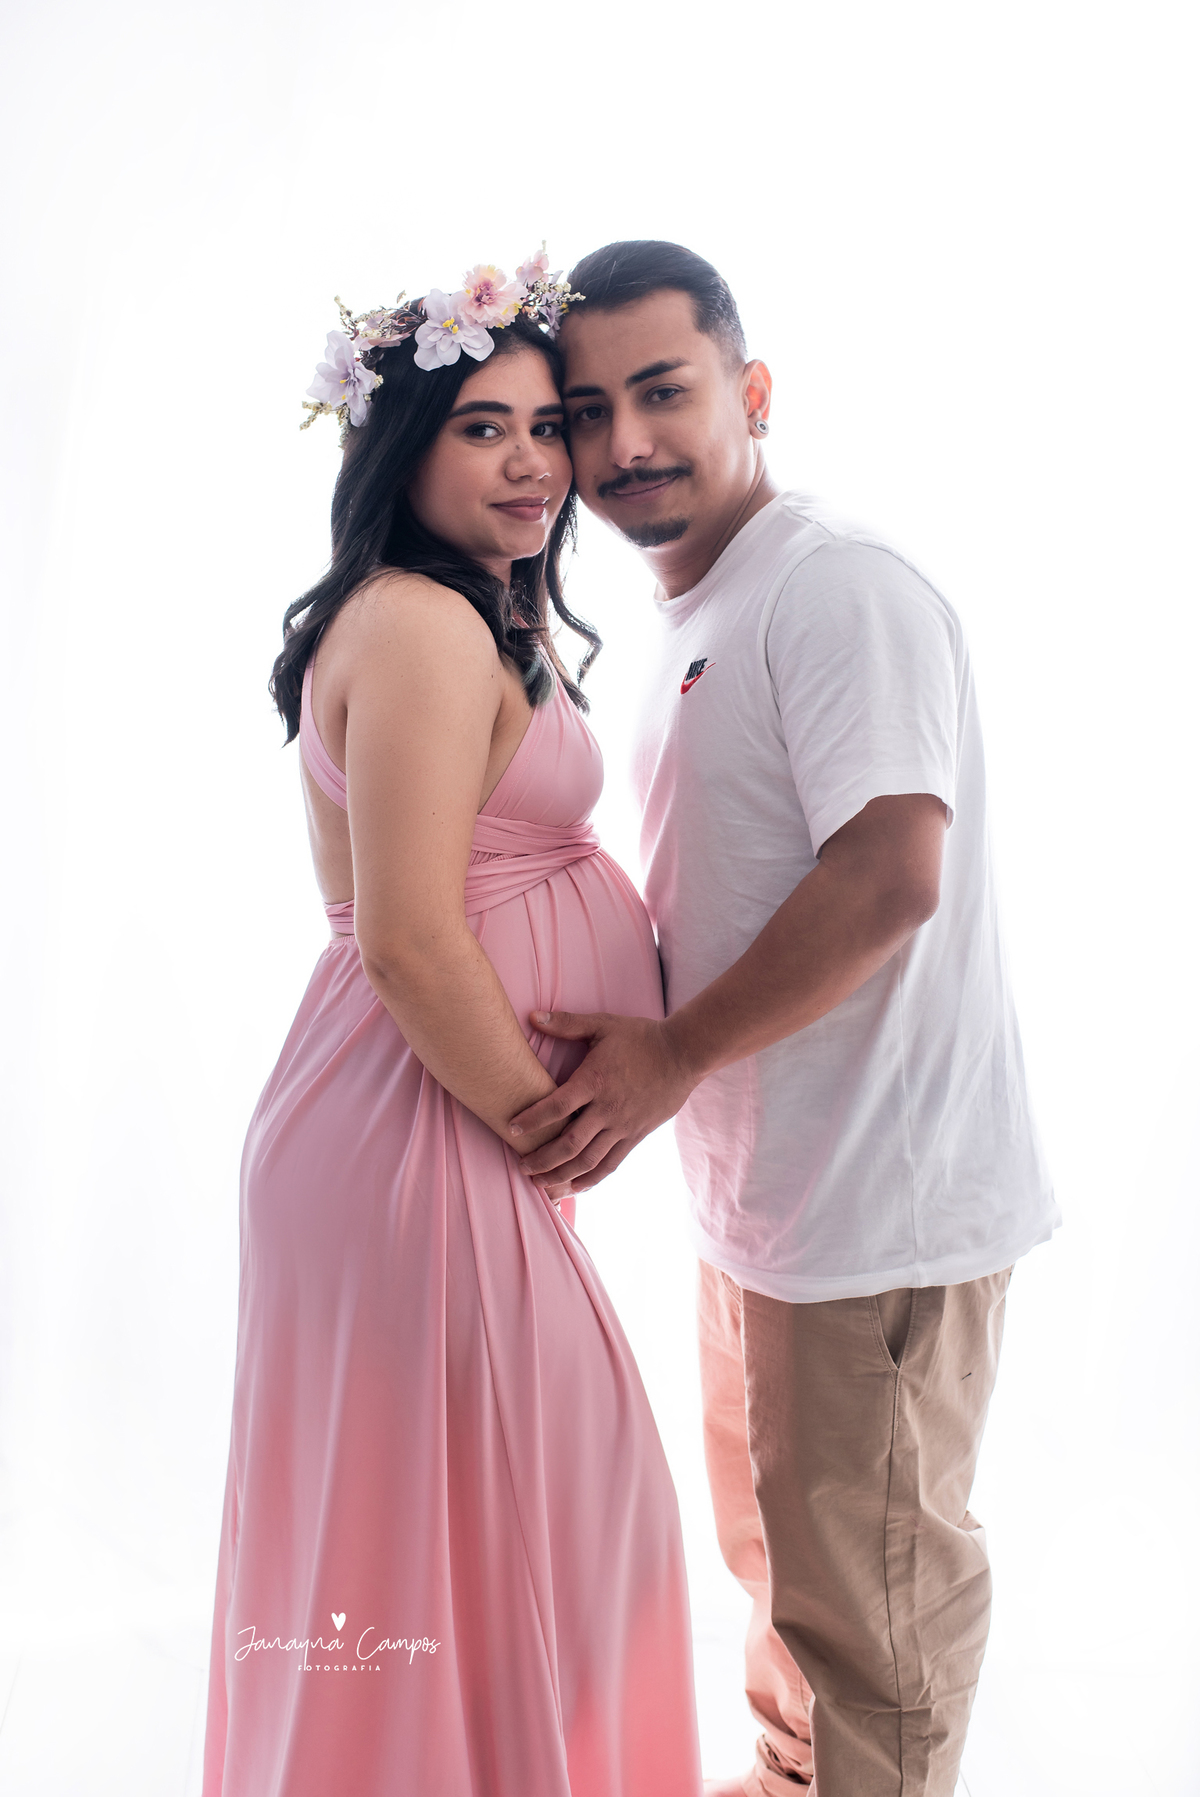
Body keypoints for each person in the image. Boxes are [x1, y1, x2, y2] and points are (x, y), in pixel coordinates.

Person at [512, 241, 1060, 1797]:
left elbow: (890, 872)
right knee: (788, 1571)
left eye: (664, 392)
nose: (626, 442)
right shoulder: (701, 606)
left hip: (877, 1211)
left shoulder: (834, 586)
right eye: (590, 410)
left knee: (873, 1612)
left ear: (751, 391)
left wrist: (672, 1056)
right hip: (767, 1202)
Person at [201, 258, 704, 1797]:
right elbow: (407, 934)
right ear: (400, 446)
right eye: (485, 427)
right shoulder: (420, 623)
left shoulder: (464, 614)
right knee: (518, 1533)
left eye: (549, 426)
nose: (535, 462)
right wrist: (554, 1125)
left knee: (466, 1543)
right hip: (426, 1130)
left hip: (429, 1126)